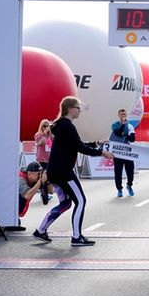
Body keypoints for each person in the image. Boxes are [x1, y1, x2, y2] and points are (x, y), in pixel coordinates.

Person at [32, 96, 113, 246]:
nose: (80, 111)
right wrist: (101, 152)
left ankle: (41, 230)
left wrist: (96, 143)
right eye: (78, 108)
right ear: (70, 109)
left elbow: (76, 144)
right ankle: (77, 237)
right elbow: (80, 147)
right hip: (63, 172)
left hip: (55, 172)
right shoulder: (67, 126)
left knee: (66, 203)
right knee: (80, 201)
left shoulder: (60, 125)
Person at [110, 108, 136, 197]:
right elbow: (117, 133)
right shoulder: (115, 124)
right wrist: (123, 128)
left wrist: (123, 135)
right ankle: (119, 189)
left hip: (127, 151)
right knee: (118, 171)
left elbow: (132, 138)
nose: (123, 116)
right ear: (118, 115)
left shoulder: (130, 126)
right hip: (117, 151)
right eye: (121, 114)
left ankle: (129, 185)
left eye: (124, 114)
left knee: (130, 170)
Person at [34, 119, 53, 204]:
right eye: (44, 126)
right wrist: (45, 133)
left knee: (48, 177)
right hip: (41, 159)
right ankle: (44, 195)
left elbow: (52, 145)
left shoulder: (50, 136)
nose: (46, 127)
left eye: (47, 125)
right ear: (41, 126)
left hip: (48, 159)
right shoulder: (38, 135)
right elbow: (40, 142)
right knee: (43, 177)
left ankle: (45, 193)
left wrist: (50, 134)